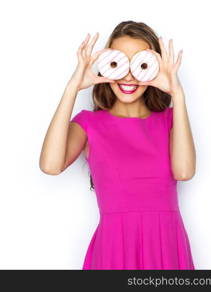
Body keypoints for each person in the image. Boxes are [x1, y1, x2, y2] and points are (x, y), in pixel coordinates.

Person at [39, 20, 196, 270]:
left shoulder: (170, 120)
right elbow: (50, 165)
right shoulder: (88, 124)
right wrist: (72, 87)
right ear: (105, 66)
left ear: (154, 67)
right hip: (114, 247)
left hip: (166, 244)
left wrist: (178, 94)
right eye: (118, 62)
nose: (129, 75)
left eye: (140, 64)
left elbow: (185, 171)